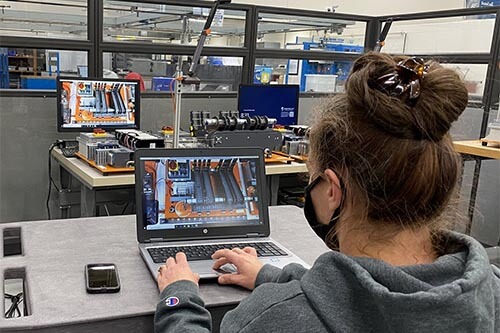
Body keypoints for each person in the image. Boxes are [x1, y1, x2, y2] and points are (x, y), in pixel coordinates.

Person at [154, 52, 500, 332]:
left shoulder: (271, 320)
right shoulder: (491, 291)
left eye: (313, 178)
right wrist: (270, 274)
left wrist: (178, 297)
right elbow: (364, 295)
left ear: (332, 190)